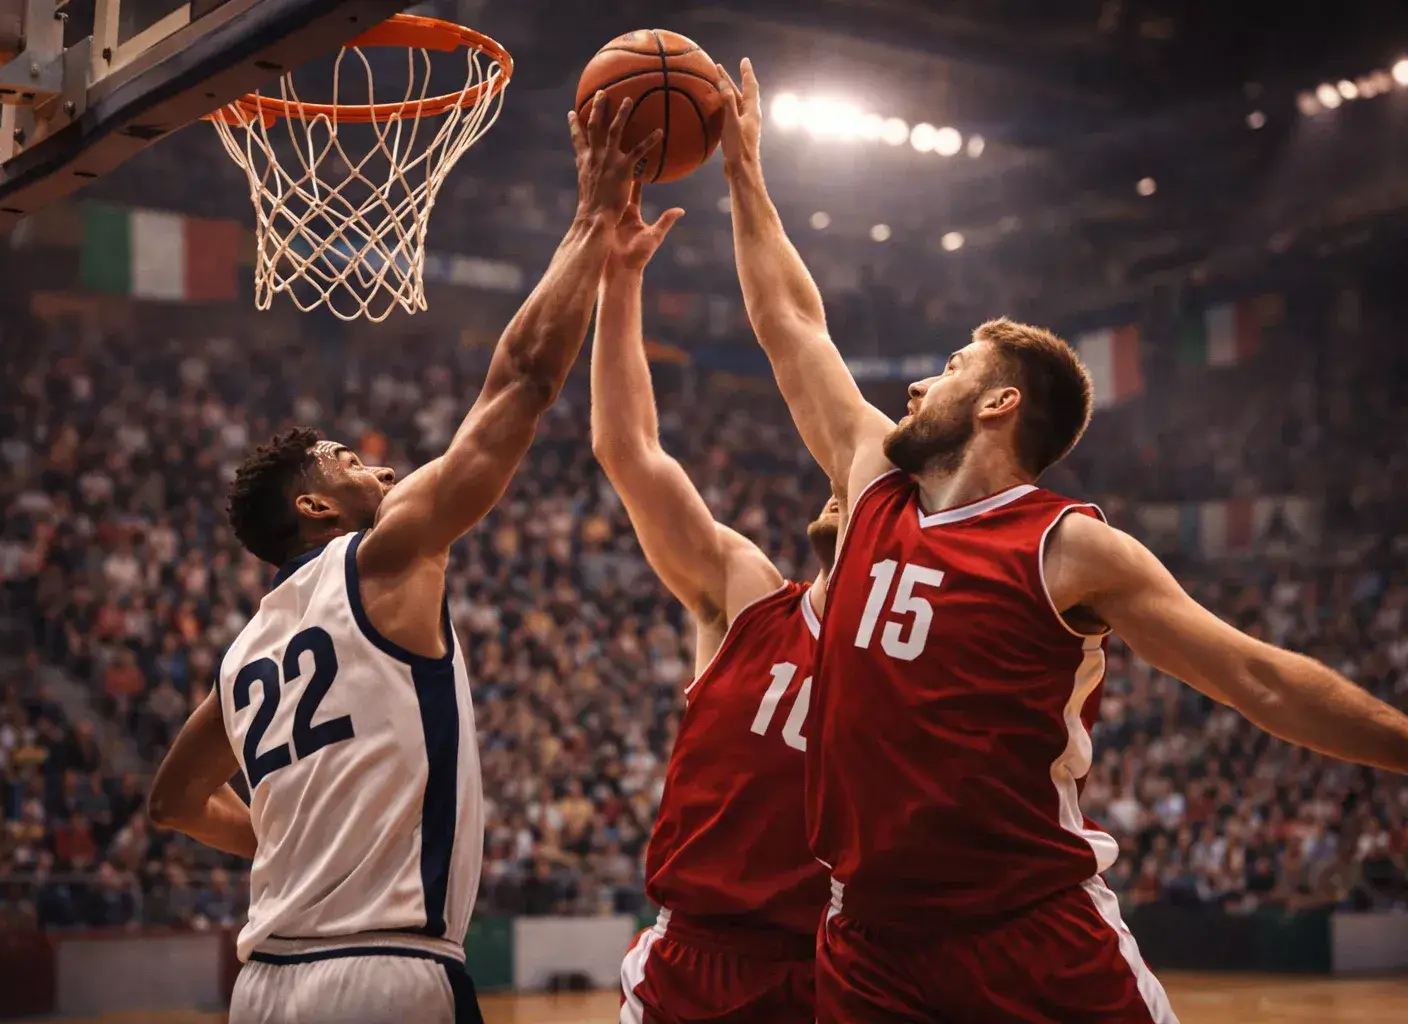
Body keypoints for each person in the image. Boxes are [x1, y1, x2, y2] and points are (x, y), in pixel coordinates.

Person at [714, 57, 1408, 1024]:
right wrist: (746, 172)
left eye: (952, 366)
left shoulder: (1068, 547)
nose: (917, 386)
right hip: (867, 941)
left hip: (1029, 937)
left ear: (1000, 403)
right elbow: (790, 322)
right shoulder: (873, 484)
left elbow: (1259, 680)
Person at [145, 92, 662, 1024]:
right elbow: (523, 382)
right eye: (349, 459)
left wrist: (289, 837)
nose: (378, 463)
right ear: (313, 505)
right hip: (385, 972)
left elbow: (174, 800)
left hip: (262, 989)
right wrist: (590, 218)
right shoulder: (382, 558)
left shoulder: (244, 655)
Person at [592, 185, 836, 1024]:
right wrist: (619, 281)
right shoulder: (749, 593)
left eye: (866, 484)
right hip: (694, 961)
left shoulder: (918, 653)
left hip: (837, 968)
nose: (841, 491)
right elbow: (630, 452)